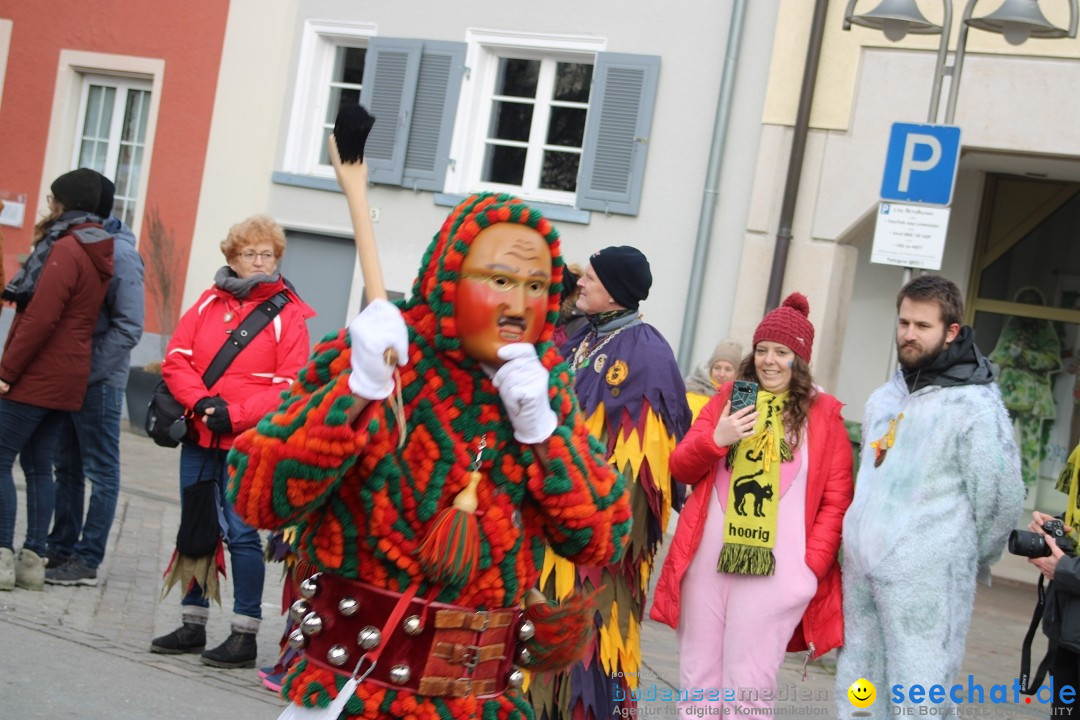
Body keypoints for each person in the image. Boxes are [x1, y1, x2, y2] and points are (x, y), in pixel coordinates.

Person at [226, 192, 631, 720]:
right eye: (501, 280)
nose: (518, 305)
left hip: (480, 701)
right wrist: (354, 389)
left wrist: (545, 433)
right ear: (450, 279)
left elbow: (600, 538)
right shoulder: (379, 353)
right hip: (356, 692)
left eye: (536, 287)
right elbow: (259, 496)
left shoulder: (544, 383)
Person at [650, 293, 852, 715]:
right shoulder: (728, 399)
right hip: (707, 566)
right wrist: (715, 439)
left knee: (748, 688)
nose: (769, 361)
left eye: (781, 352)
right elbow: (681, 467)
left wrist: (808, 567)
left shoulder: (822, 416)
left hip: (774, 574)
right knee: (697, 682)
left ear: (799, 359)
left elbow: (836, 501)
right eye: (761, 350)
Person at [835, 274, 1024, 718]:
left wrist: (957, 555)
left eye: (922, 325)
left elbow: (1000, 499)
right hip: (863, 575)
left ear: (951, 331)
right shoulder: (887, 396)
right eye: (903, 322)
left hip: (928, 584)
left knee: (919, 700)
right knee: (859, 692)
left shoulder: (976, 407)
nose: (908, 334)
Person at [532, 246, 691, 720]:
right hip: (546, 531)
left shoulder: (648, 356)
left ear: (617, 295)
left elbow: (644, 478)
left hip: (595, 549)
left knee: (588, 650)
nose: (581, 283)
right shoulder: (579, 338)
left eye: (593, 279)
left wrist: (591, 526)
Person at [150, 214, 314, 668]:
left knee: (242, 534)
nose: (259, 261)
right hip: (201, 433)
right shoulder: (207, 303)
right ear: (232, 259)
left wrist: (233, 416)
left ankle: (244, 633)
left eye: (267, 254)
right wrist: (203, 405)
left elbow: (290, 384)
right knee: (197, 525)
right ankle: (192, 622)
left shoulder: (290, 314)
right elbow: (177, 359)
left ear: (277, 259)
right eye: (250, 254)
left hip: (249, 441)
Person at [0, 168, 114, 591]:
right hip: (68, 375)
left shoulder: (66, 249)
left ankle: (3, 558)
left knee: (1, 458)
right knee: (38, 467)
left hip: (39, 372)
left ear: (64, 203)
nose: (49, 207)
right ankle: (33, 562)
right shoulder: (97, 246)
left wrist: (7, 371)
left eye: (52, 200)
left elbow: (42, 317)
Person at [45, 174, 145, 585]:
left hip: (99, 383)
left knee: (101, 472)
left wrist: (86, 371)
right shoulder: (79, 243)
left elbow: (129, 326)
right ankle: (60, 549)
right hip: (72, 378)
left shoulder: (120, 253)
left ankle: (87, 559)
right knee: (65, 467)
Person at [684, 338, 743, 421]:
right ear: (710, 368)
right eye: (717, 368)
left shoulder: (741, 399)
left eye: (728, 369)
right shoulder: (694, 392)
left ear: (737, 373)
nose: (721, 374)